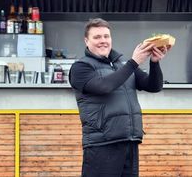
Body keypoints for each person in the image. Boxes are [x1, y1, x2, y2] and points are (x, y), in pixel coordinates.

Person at [69, 18, 169, 177]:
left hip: (129, 141)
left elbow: (153, 86)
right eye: (97, 37)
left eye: (106, 36)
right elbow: (104, 86)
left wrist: (154, 63)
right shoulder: (81, 67)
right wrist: (134, 62)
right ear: (86, 41)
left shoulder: (122, 65)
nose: (103, 41)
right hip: (101, 144)